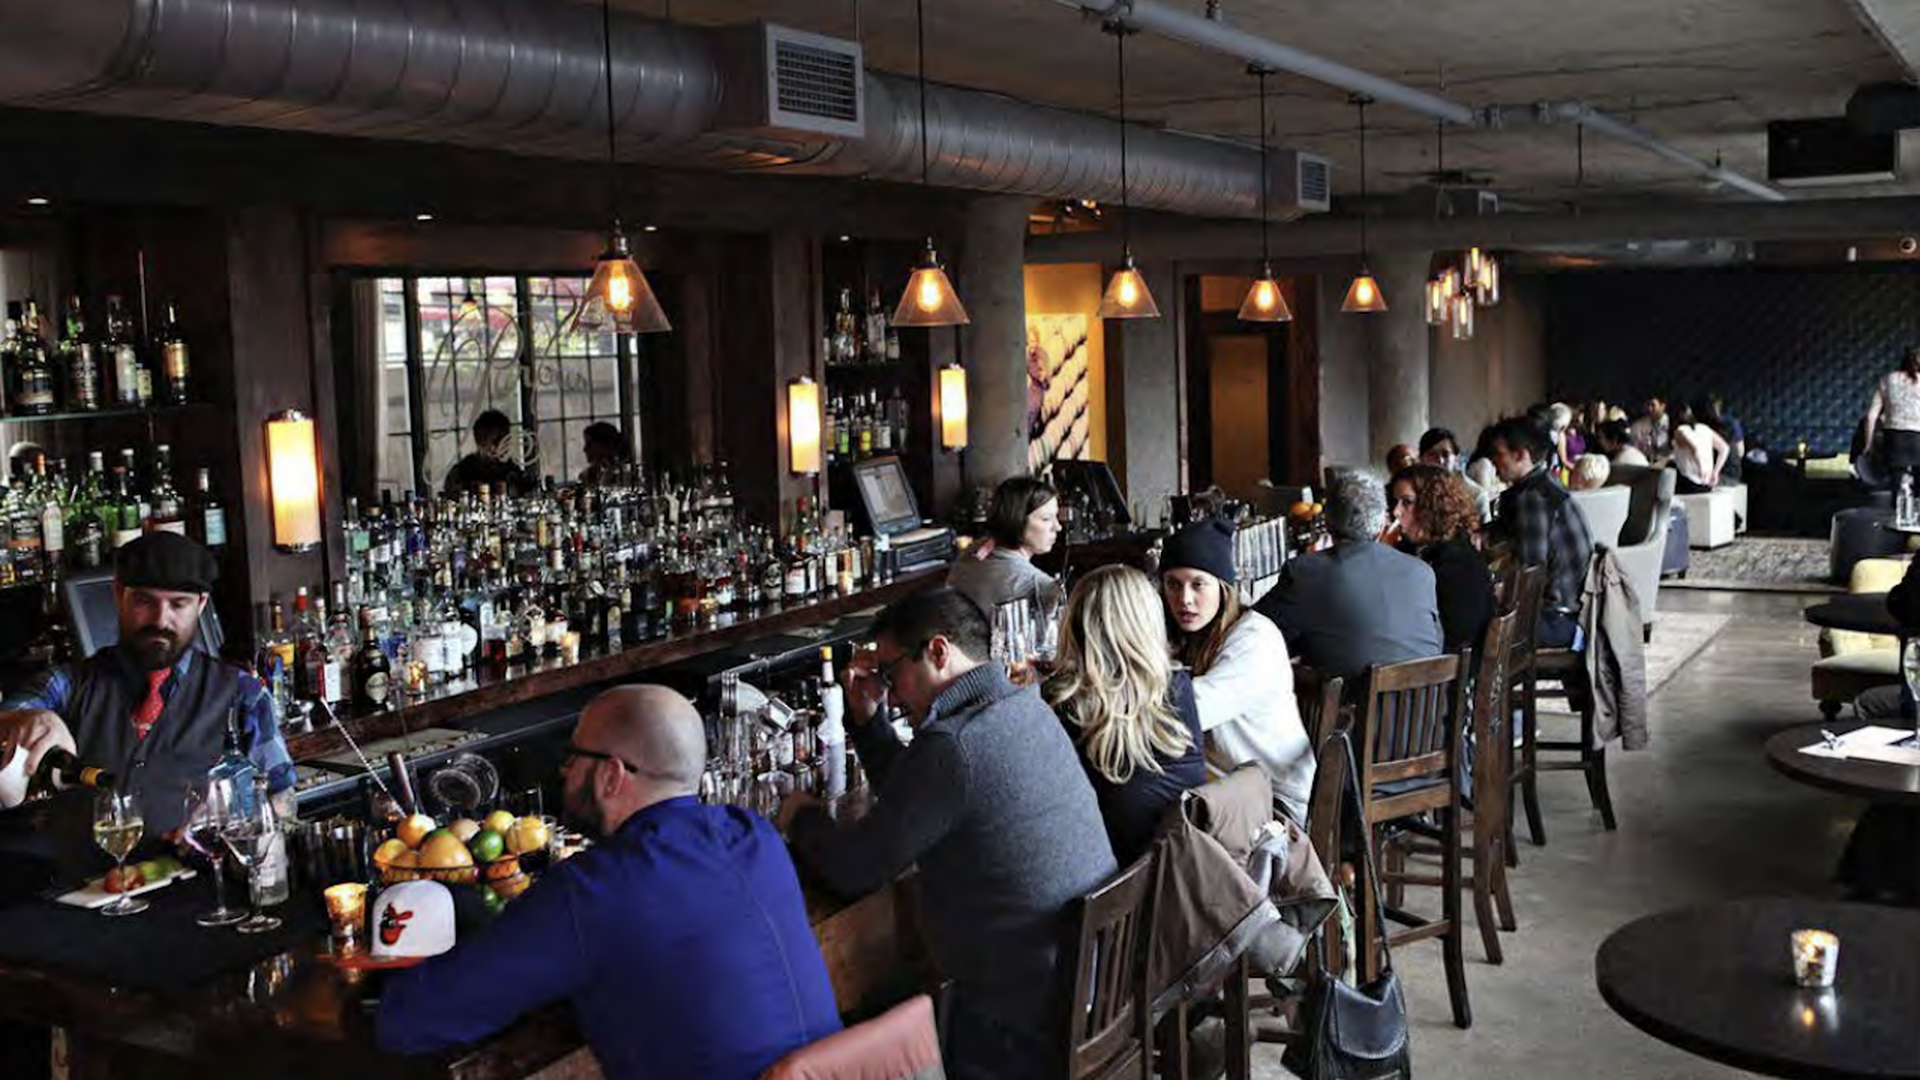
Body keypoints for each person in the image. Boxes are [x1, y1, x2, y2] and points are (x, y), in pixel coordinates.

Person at [379, 685, 841, 1080]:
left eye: (572, 757)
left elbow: (412, 1020)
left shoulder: (595, 889)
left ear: (611, 775)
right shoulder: (752, 834)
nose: (563, 772)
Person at [780, 588, 1115, 1080]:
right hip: (1094, 981)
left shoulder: (953, 745)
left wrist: (800, 815)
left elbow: (856, 869)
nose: (891, 693)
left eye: (892, 674)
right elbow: (919, 801)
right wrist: (869, 722)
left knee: (877, 1015)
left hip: (1025, 1018)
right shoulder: (1022, 704)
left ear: (938, 651)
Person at [0, 533, 293, 835]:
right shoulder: (68, 684)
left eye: (178, 605)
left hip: (204, 875)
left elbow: (282, 800)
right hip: (93, 880)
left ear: (202, 604)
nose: (161, 620)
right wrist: (27, 718)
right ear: (118, 594)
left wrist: (239, 830)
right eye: (144, 601)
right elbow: (7, 717)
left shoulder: (243, 693)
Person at [1045, 565, 1205, 864]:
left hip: (1113, 881)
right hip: (1182, 862)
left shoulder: (1064, 701)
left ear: (1076, 624)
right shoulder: (1176, 686)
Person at [1159, 518, 1315, 822]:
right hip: (1226, 785)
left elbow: (1193, 710)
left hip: (1276, 800)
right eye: (1173, 585)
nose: (1184, 599)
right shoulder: (1193, 636)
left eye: (1197, 584)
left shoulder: (1253, 639)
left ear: (1223, 586)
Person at [1255, 470, 1444, 681]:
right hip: (1425, 710)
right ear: (1382, 523)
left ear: (1326, 521)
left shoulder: (1306, 571)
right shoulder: (1421, 572)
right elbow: (1436, 643)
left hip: (1348, 711)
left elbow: (1254, 635)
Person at [1485, 415, 1594, 649]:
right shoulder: (1546, 485)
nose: (1493, 461)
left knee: (1472, 626)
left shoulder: (1532, 498)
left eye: (1498, 453)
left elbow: (1530, 573)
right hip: (1574, 612)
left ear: (1520, 454)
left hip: (1555, 621)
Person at [1388, 465, 1494, 659]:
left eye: (1407, 503)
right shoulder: (1421, 548)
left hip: (1448, 675)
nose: (1396, 512)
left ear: (1434, 507)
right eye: (1396, 502)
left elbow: (1457, 636)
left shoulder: (1457, 562)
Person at [947, 477, 1060, 618]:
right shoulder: (1041, 586)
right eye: (1046, 519)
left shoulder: (972, 551)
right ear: (1017, 519)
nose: (1058, 527)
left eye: (1056, 517)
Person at [1863, 346, 1920, 482]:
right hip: (1918, 438)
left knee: (1896, 484)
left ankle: (1897, 500)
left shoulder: (1888, 380)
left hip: (1894, 439)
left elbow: (1871, 416)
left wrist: (1868, 444)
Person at [444, 409, 531, 496]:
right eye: (492, 442)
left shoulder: (513, 474)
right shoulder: (461, 475)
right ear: (479, 442)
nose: (496, 448)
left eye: (503, 441)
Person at [1420, 426, 1492, 521]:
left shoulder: (1475, 495)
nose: (1440, 460)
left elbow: (1485, 532)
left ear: (1456, 458)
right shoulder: (1413, 490)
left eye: (1445, 454)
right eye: (1432, 454)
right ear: (1421, 459)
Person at [1669, 400, 1730, 494]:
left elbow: (1694, 449)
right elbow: (1725, 448)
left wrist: (1701, 468)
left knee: (1667, 471)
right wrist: (1715, 472)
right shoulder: (1704, 428)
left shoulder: (1679, 431)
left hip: (1691, 484)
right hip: (1707, 485)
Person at [1629, 396, 1671, 462]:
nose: (1650, 409)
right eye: (1648, 405)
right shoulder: (1638, 426)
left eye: (1653, 405)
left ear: (1662, 406)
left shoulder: (1672, 424)